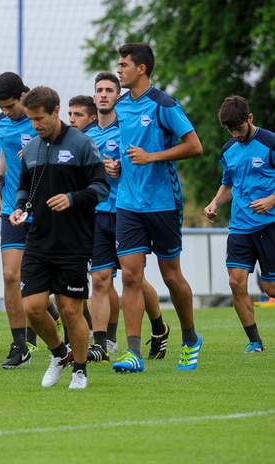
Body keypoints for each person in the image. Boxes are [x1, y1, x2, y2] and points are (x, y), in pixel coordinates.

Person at [111, 42, 203, 372]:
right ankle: (133, 353)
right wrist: (118, 166)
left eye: (123, 65)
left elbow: (194, 146)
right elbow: (127, 150)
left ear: (141, 69)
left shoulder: (164, 104)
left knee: (171, 276)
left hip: (163, 203)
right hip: (128, 203)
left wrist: (152, 156)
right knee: (131, 276)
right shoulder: (120, 107)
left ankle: (191, 339)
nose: (119, 69)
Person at [10, 86, 109, 389]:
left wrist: (72, 198)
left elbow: (101, 187)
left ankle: (80, 370)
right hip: (39, 239)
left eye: (39, 119)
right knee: (32, 307)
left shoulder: (82, 143)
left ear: (55, 112)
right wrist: (19, 208)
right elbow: (25, 188)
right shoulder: (30, 149)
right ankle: (59, 354)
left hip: (73, 241)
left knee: (70, 310)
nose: (35, 125)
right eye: (30, 120)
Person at [83, 72, 166, 362]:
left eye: (109, 90)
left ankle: (158, 327)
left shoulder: (127, 129)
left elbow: (143, 163)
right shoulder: (87, 135)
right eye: (99, 90)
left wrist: (120, 168)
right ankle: (101, 346)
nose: (103, 94)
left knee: (134, 279)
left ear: (117, 96)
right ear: (94, 97)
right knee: (100, 279)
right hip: (98, 216)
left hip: (126, 213)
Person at [0, 72, 57, 369]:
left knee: (50, 278)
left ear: (23, 96)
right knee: (11, 275)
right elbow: (4, 148)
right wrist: (0, 177)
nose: (6, 112)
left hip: (46, 209)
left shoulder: (41, 120)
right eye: (1, 107)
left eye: (10, 106)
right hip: (15, 211)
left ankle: (57, 316)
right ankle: (20, 346)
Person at [204, 95, 275, 353]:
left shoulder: (271, 143)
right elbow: (229, 184)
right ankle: (255, 342)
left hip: (269, 225)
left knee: (270, 287)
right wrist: (214, 203)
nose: (236, 133)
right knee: (236, 282)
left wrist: (271, 199)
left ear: (250, 118)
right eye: (230, 129)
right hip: (240, 226)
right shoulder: (228, 150)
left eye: (240, 127)